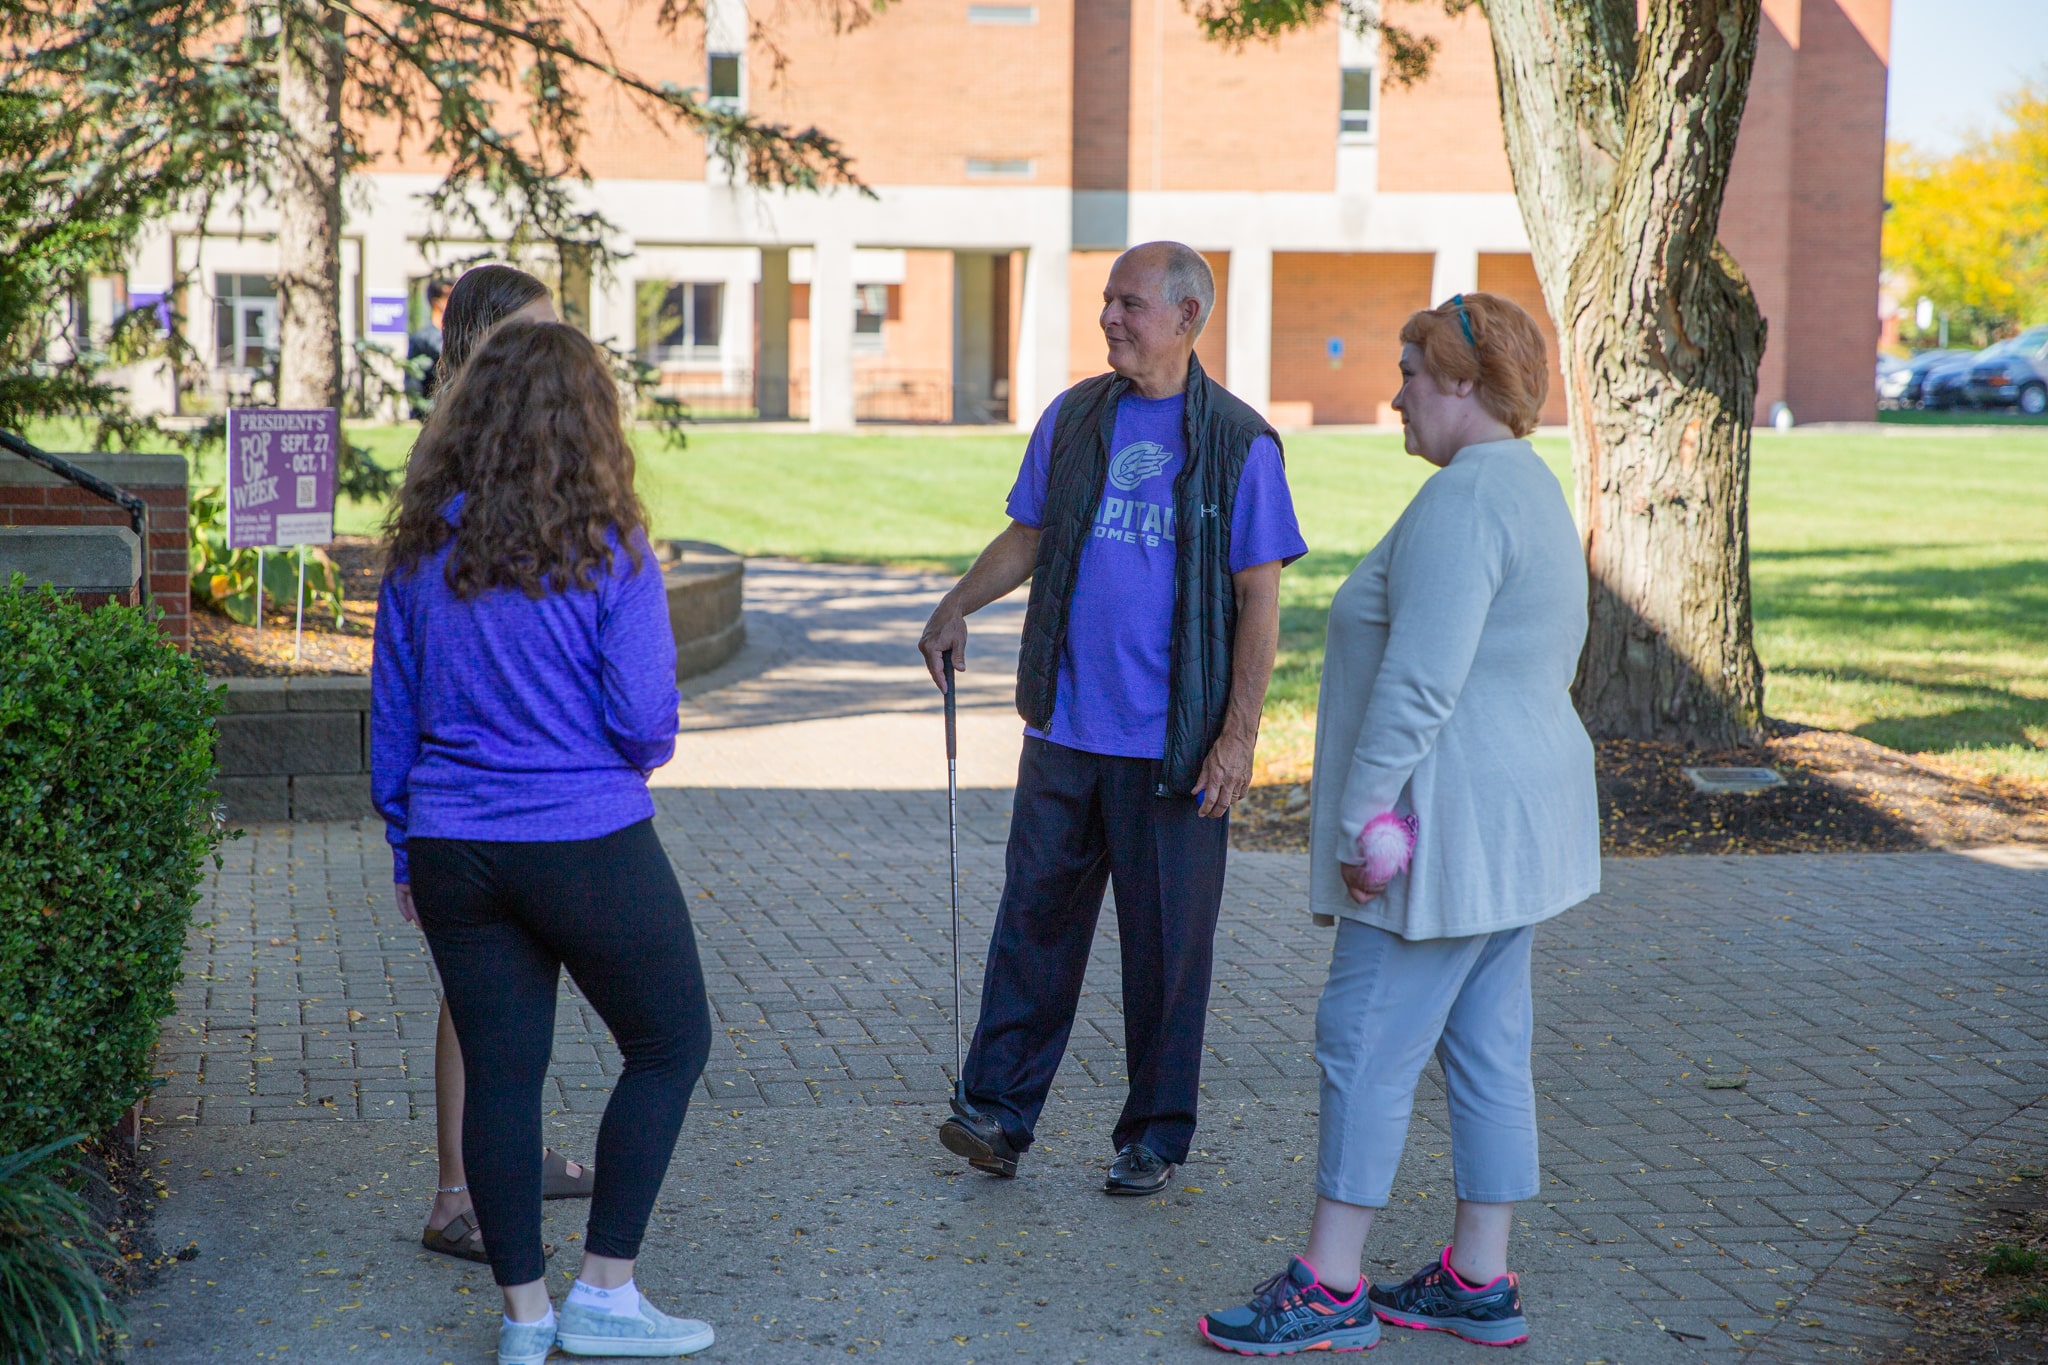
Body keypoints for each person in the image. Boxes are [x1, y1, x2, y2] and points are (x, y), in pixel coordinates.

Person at [1197, 293, 1599, 1355]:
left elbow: (1419, 682)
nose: (1393, 395)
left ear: (1463, 383)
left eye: (1411, 373)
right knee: (1485, 1046)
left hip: (1441, 827)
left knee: (1362, 1041)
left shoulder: (1464, 503)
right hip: (1517, 823)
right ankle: (1476, 1275)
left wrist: (1362, 817)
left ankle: (1330, 1285)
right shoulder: (1527, 484)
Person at [919, 241, 1306, 1197]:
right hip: (1064, 730)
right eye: (1105, 300)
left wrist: (1239, 735)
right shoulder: (1075, 418)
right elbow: (1032, 533)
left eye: (1130, 303)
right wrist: (957, 603)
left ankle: (1155, 1135)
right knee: (1032, 927)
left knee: (1166, 951)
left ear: (1186, 317)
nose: (1109, 318)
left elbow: (1261, 600)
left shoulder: (1240, 442)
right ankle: (997, 1115)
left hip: (1171, 748)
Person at [373, 319, 716, 1365]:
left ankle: (524, 1318)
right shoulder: (608, 546)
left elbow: (391, 715)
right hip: (584, 836)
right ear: (589, 420)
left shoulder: (421, 547)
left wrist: (403, 848)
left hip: (451, 845)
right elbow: (646, 717)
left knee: (503, 1073)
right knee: (669, 1040)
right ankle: (603, 1289)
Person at [407, 264, 596, 1268]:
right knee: (472, 987)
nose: (552, 349)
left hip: (509, 791)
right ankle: (455, 1191)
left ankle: (503, 1161)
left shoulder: (500, 447)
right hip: (479, 792)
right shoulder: (450, 457)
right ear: (486, 341)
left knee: (520, 976)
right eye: (535, 330)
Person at [405, 279, 451, 417]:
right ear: (436, 302)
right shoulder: (422, 339)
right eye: (449, 295)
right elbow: (413, 383)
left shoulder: (461, 335)